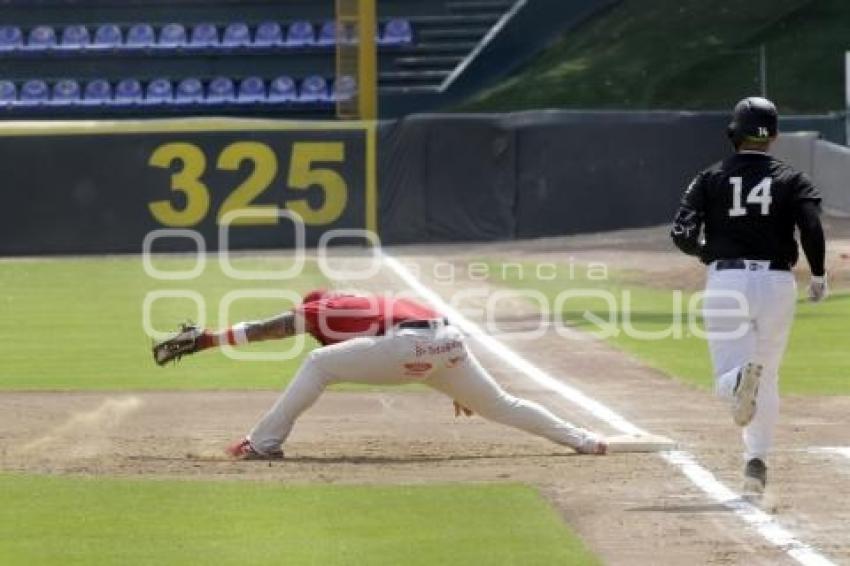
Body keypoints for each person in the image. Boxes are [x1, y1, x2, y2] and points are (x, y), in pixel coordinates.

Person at [152, 289, 607, 459]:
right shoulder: (377, 302)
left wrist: (211, 339)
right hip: (448, 345)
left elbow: (269, 329)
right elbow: (437, 338)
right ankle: (583, 440)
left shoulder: (319, 308)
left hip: (408, 343)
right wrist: (453, 381)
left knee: (317, 364)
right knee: (501, 405)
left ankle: (262, 443)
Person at [670, 96, 827, 494]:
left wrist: (709, 252)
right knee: (768, 376)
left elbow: (682, 233)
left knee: (731, 376)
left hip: (728, 281)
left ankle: (740, 380)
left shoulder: (709, 177)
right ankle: (755, 463)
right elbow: (811, 227)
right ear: (774, 136)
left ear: (732, 134)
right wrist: (820, 274)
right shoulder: (792, 178)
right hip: (776, 284)